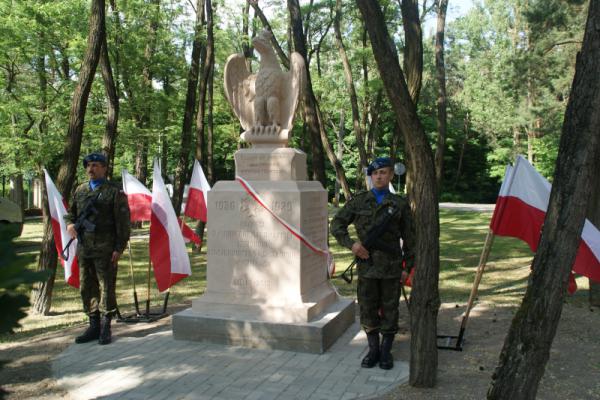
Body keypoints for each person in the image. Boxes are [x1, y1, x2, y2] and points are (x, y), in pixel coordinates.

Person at [330, 157, 414, 370]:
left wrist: (407, 267)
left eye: (383, 172)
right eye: (375, 173)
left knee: (390, 309)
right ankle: (373, 349)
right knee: (367, 309)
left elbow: (412, 239)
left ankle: (386, 351)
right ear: (371, 176)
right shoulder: (358, 202)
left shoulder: (399, 204)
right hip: (366, 267)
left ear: (390, 176)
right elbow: (337, 224)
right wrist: (352, 245)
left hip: (392, 267)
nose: (379, 176)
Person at [65, 152, 130, 345]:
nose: (90, 169)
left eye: (95, 165)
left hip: (106, 248)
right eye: (88, 165)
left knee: (106, 286)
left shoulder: (114, 191)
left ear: (104, 168)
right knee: (86, 286)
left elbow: (123, 223)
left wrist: (119, 247)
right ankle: (93, 325)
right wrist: (70, 225)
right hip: (85, 247)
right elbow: (71, 214)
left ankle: (106, 325)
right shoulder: (80, 190)